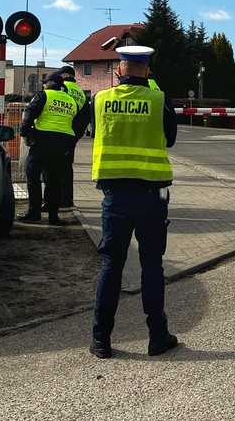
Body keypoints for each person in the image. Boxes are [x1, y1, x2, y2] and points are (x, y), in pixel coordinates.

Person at [88, 45, 178, 360]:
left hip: (114, 197)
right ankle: (157, 337)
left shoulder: (100, 100)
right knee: (151, 264)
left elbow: (93, 132)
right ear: (147, 71)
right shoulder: (159, 99)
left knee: (111, 265)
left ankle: (101, 340)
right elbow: (170, 139)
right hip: (151, 196)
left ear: (118, 70)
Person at [18, 72, 88, 225]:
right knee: (55, 180)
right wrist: (72, 140)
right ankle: (53, 217)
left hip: (43, 140)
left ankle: (34, 213)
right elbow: (79, 122)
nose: (43, 84)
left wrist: (25, 134)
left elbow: (30, 113)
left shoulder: (44, 95)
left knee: (33, 175)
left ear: (51, 84)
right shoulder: (71, 100)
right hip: (63, 143)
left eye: (45, 82)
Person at [58, 65, 88, 209]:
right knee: (67, 168)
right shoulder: (81, 93)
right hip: (71, 136)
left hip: (58, 133)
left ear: (65, 75)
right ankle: (67, 200)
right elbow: (86, 117)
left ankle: (57, 199)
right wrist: (77, 135)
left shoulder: (62, 88)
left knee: (54, 168)